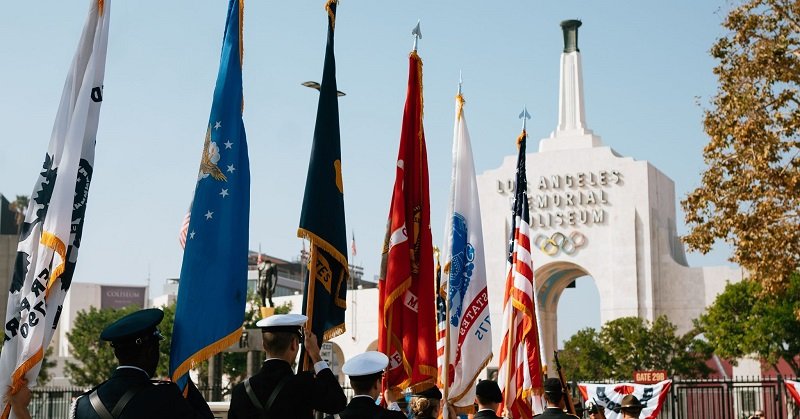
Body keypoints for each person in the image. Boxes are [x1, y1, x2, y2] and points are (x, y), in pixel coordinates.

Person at [72, 308, 213, 418]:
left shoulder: (84, 404)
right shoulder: (165, 397)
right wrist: (183, 374)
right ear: (151, 351)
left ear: (116, 353)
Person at [228, 313, 346, 418]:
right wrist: (316, 356)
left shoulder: (240, 392)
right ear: (294, 344)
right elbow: (338, 403)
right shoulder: (303, 385)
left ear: (263, 345)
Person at [328, 351, 405, 419]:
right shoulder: (390, 416)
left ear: (351, 384)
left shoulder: (334, 417)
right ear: (377, 383)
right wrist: (392, 404)